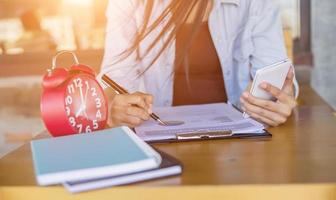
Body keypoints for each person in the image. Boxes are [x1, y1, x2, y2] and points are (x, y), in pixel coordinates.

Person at [98, 0, 299, 128]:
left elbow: (274, 73)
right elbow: (114, 77)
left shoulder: (256, 3)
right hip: (159, 137)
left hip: (238, 138)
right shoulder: (129, 3)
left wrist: (280, 99)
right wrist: (114, 106)